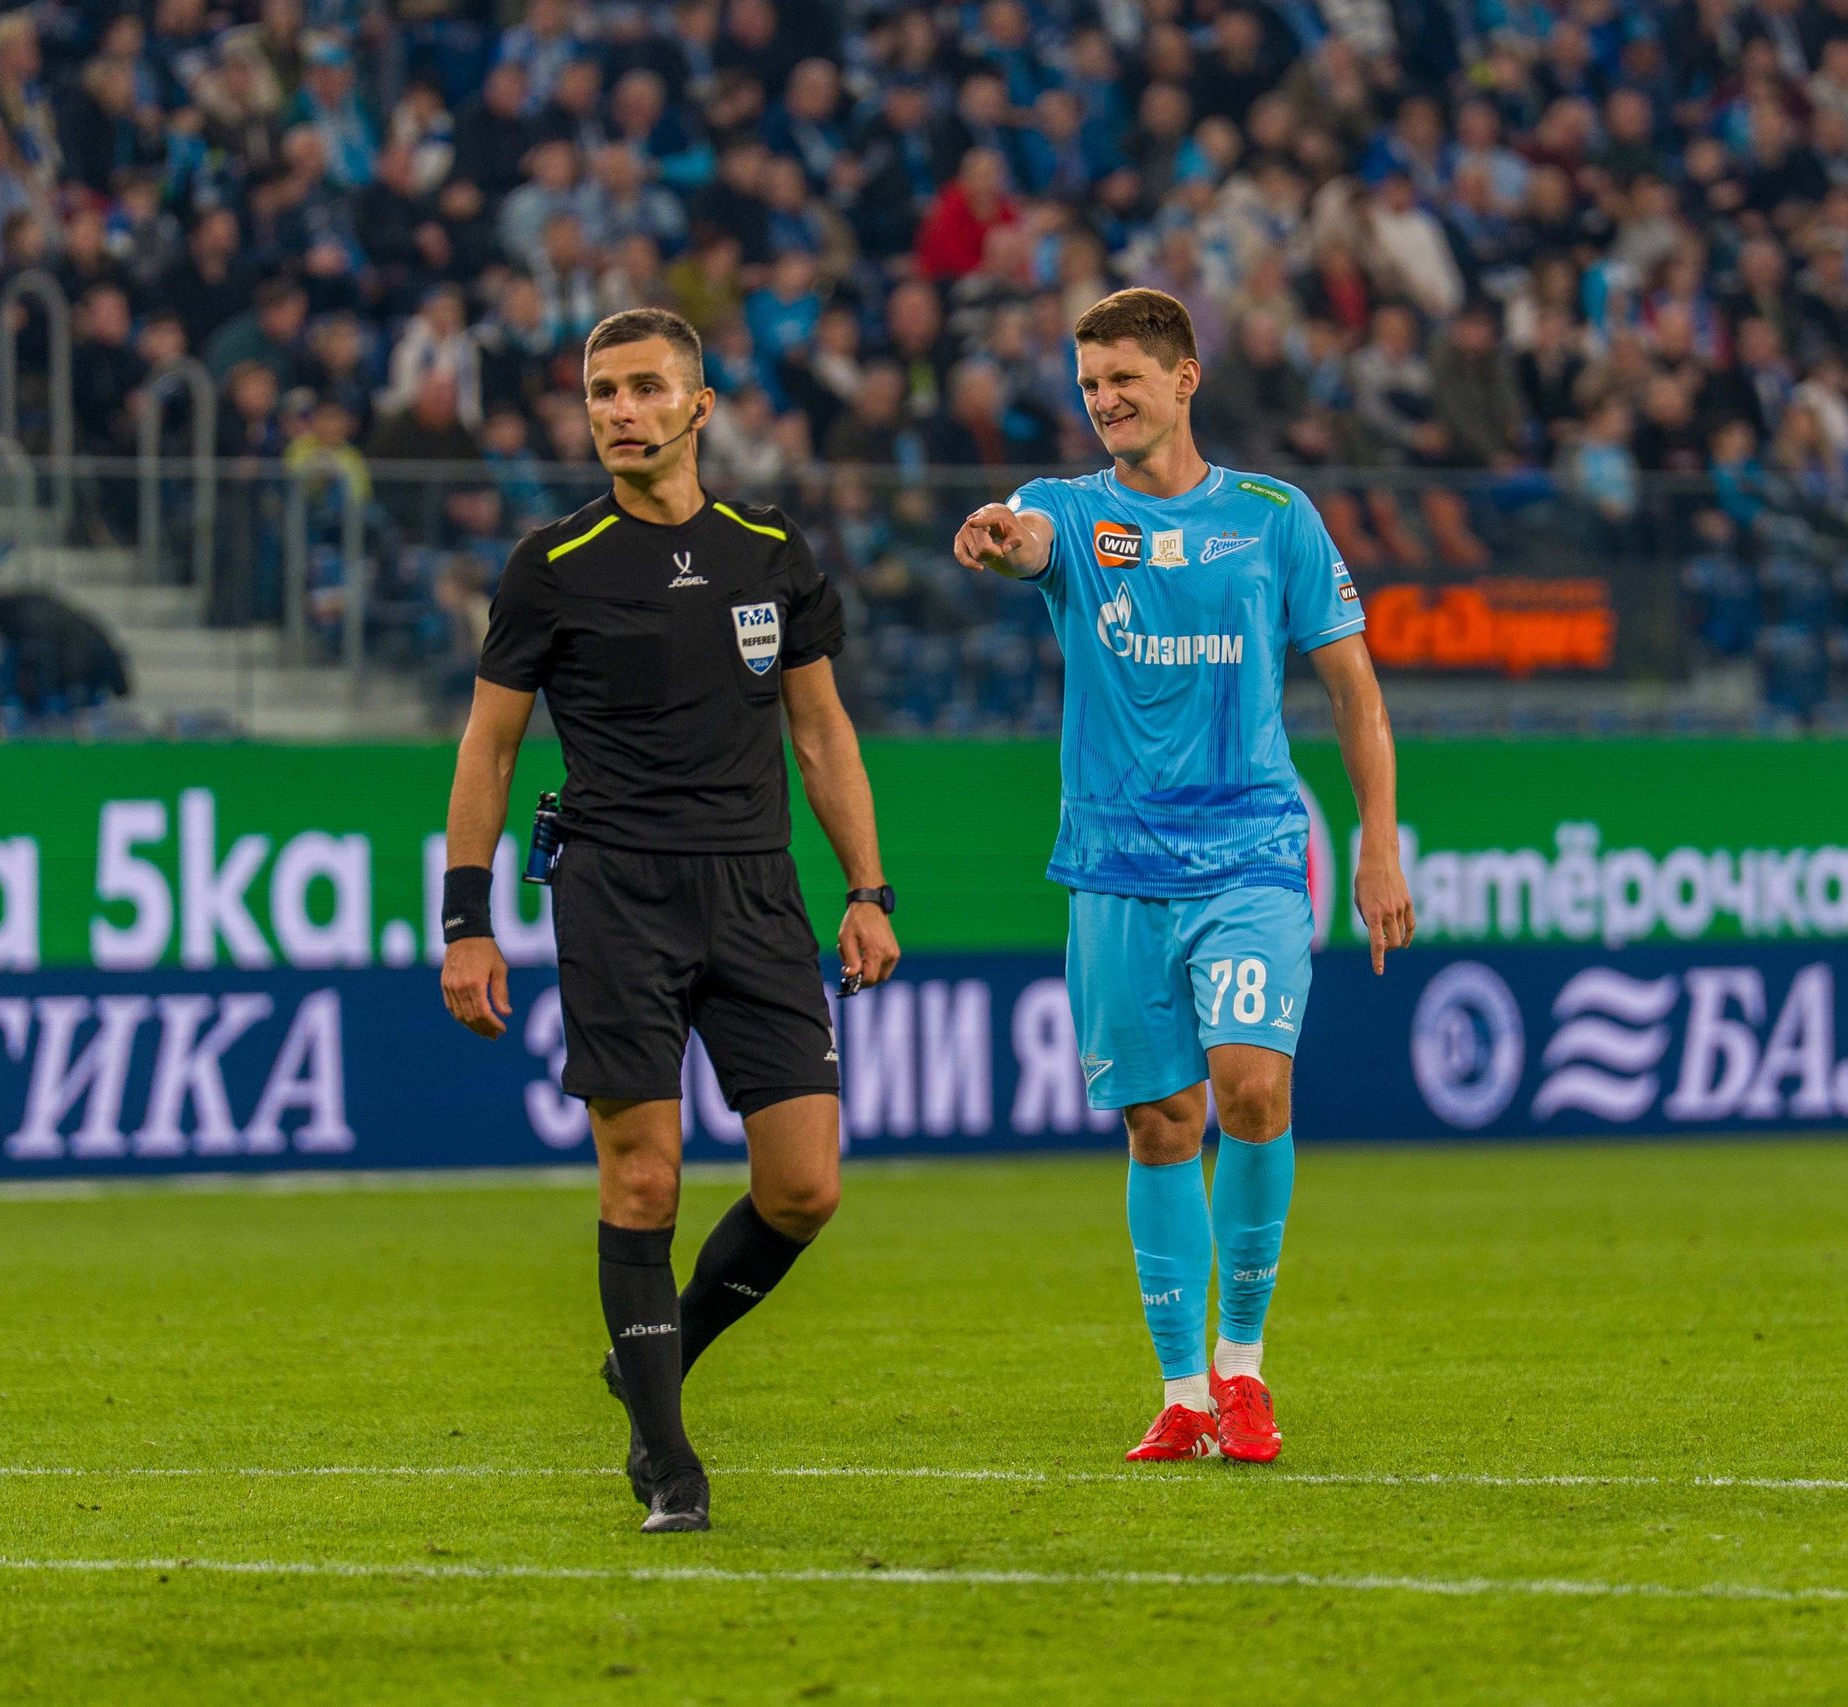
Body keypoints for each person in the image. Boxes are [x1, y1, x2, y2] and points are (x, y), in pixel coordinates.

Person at [439, 306, 899, 1534]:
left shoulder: (769, 553)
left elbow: (820, 732)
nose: (619, 413)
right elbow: (488, 751)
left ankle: (655, 1357)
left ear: (699, 408)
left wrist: (866, 890)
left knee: (804, 1189)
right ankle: (669, 1461)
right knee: (642, 1178)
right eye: (601, 393)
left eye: (644, 390)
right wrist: (465, 920)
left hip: (755, 892)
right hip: (615, 895)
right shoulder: (554, 564)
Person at [949, 288, 1415, 1465]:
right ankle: (1179, 1393)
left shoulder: (1273, 518)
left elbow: (1354, 691)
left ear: (1184, 379)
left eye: (1124, 379)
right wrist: (999, 539)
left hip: (1252, 852)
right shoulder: (1066, 511)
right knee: (1160, 1123)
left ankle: (1243, 1370)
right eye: (1090, 381)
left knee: (1250, 1091)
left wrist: (1376, 841)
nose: (1104, 400)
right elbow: (1025, 536)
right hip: (1112, 868)